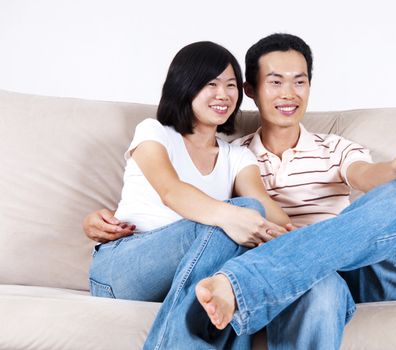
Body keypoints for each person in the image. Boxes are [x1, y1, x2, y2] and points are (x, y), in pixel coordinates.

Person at [84, 34, 396, 349]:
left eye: (299, 82)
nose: (289, 93)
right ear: (253, 91)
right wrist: (242, 217)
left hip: (343, 265)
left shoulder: (325, 148)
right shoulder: (203, 143)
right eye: (275, 82)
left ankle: (243, 282)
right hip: (160, 263)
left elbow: (363, 176)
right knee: (309, 282)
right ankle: (251, 281)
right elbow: (178, 193)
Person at [87, 40, 291, 349]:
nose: (223, 94)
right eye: (211, 83)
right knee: (234, 219)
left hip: (190, 276)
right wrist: (233, 215)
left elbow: (263, 205)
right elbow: (171, 191)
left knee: (241, 256)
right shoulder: (154, 132)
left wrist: (297, 236)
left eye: (231, 85)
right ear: (185, 85)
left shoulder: (236, 156)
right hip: (122, 269)